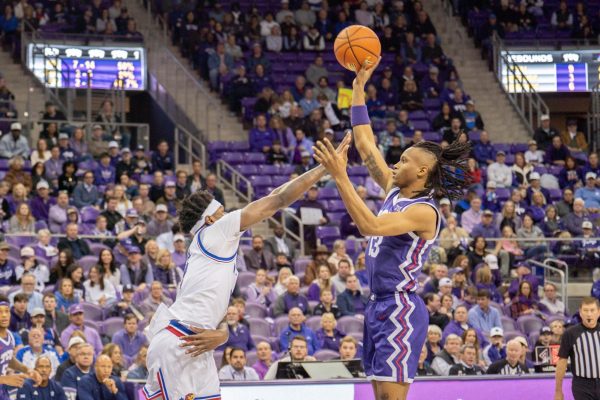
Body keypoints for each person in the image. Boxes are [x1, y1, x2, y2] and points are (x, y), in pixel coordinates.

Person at [143, 136, 351, 400]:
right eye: (221, 210)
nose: (227, 212)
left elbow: (213, 312)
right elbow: (278, 199)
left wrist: (221, 336)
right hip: (181, 341)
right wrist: (325, 169)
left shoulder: (207, 252)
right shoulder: (215, 231)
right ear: (209, 218)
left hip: (192, 341)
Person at [555, 297, 600, 400]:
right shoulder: (570, 333)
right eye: (585, 310)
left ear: (598, 312)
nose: (589, 314)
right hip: (582, 385)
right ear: (580, 313)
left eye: (592, 310)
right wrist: (558, 390)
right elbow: (562, 362)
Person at [0, 295, 42, 396]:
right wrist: (5, 379)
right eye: (0, 312)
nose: (4, 315)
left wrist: (27, 370)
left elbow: (8, 358)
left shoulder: (10, 335)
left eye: (6, 311)